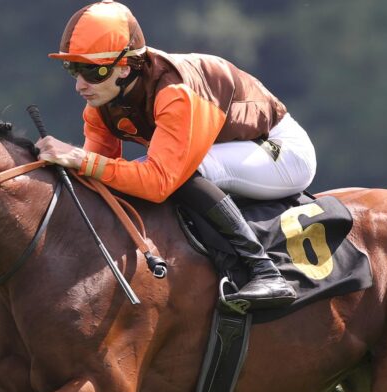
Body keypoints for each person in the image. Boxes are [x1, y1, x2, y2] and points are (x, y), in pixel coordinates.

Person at [36, 0, 317, 309]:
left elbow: (160, 183)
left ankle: (265, 272)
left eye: (91, 70)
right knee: (119, 175)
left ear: (125, 67)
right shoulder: (101, 102)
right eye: (73, 69)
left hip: (280, 151)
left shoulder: (175, 92)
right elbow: (96, 177)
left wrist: (79, 158)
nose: (80, 85)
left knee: (183, 173)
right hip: (228, 149)